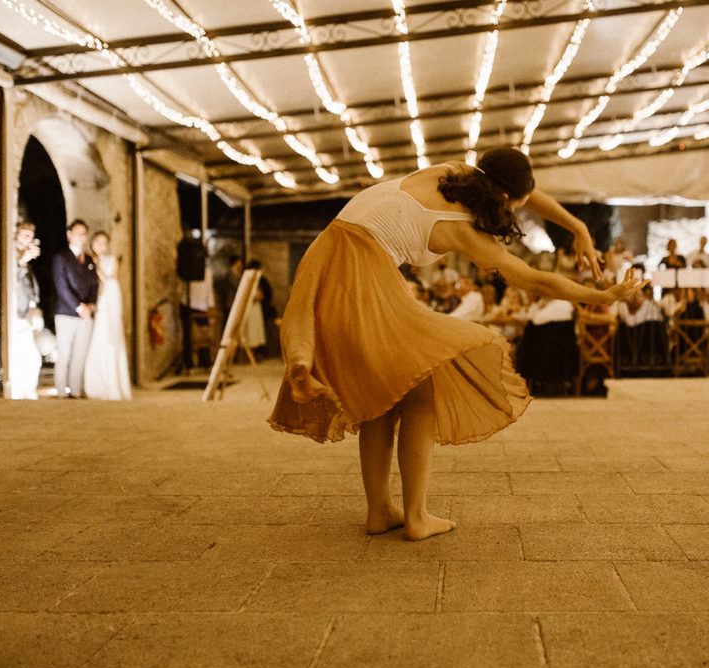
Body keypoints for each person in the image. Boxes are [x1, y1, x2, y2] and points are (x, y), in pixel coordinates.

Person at [268, 147, 645, 541]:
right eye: (518, 205)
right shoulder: (463, 227)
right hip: (365, 276)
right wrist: (604, 298)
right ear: (505, 198)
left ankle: (379, 511)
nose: (521, 210)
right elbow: (533, 279)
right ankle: (416, 516)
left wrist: (578, 228)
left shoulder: (457, 172)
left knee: (383, 393)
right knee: (421, 391)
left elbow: (526, 193)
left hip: (328, 253)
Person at [52, 220, 98, 399]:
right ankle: (62, 391)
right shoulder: (61, 258)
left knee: (80, 352)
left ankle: (76, 390)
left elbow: (94, 284)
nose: (81, 236)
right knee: (64, 353)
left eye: (84, 233)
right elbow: (62, 286)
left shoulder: (88, 260)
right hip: (66, 312)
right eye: (77, 232)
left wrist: (90, 305)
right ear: (69, 234)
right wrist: (79, 307)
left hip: (85, 313)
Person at [83, 232, 132, 401]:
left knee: (107, 338)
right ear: (92, 243)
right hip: (92, 303)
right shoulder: (86, 258)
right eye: (97, 242)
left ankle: (110, 385)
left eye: (104, 243)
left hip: (107, 304)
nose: (100, 246)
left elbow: (111, 282)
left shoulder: (111, 260)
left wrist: (97, 268)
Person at [11, 222, 42, 399]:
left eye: (29, 236)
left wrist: (34, 304)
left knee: (32, 357)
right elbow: (11, 277)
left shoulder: (24, 258)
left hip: (26, 312)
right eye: (23, 234)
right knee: (23, 355)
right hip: (15, 312)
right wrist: (23, 260)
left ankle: (28, 391)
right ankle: (19, 391)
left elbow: (30, 285)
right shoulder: (13, 255)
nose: (26, 238)